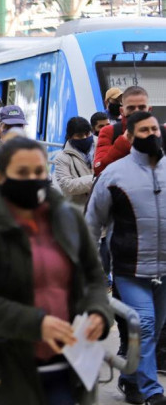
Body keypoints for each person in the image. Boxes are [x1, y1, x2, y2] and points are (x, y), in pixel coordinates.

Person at [0, 137, 112, 405]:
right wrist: (37, 324)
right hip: (5, 373)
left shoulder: (69, 219)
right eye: (22, 173)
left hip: (67, 368)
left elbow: (94, 276)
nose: (32, 179)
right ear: (2, 177)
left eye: (38, 172)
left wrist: (99, 312)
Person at [86, 111, 166, 405]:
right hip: (130, 269)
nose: (152, 134)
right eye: (144, 130)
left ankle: (130, 379)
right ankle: (151, 392)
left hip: (164, 270)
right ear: (129, 137)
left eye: (154, 129)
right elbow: (92, 222)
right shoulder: (114, 174)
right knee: (143, 324)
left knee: (153, 328)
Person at [94, 86, 152, 176]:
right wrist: (123, 142)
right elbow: (99, 169)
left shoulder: (160, 133)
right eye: (131, 108)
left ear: (149, 109)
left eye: (141, 107)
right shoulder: (109, 131)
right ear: (122, 110)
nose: (136, 112)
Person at [53, 117, 95, 209]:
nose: (85, 138)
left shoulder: (100, 149)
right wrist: (95, 180)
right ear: (69, 137)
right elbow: (66, 186)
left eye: (87, 134)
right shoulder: (62, 158)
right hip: (78, 211)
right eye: (80, 136)